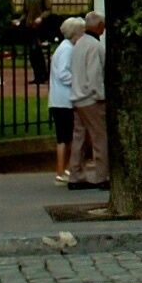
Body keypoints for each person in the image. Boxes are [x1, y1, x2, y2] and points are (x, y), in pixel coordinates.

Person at [67, 9, 108, 190]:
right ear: (99, 26)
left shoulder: (79, 44)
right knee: (100, 138)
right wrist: (100, 95)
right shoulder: (95, 46)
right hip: (91, 99)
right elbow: (95, 74)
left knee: (79, 137)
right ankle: (102, 175)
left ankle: (75, 175)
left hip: (76, 97)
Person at [48, 15, 85, 184]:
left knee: (66, 137)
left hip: (60, 100)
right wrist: (78, 81)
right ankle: (61, 171)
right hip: (63, 101)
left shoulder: (64, 48)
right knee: (64, 138)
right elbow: (63, 73)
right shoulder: (67, 49)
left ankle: (65, 170)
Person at [19, 0, 53, 86]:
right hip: (30, 27)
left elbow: (48, 10)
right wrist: (19, 20)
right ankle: (37, 75)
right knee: (32, 54)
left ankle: (43, 75)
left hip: (40, 28)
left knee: (37, 51)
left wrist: (41, 18)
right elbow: (25, 12)